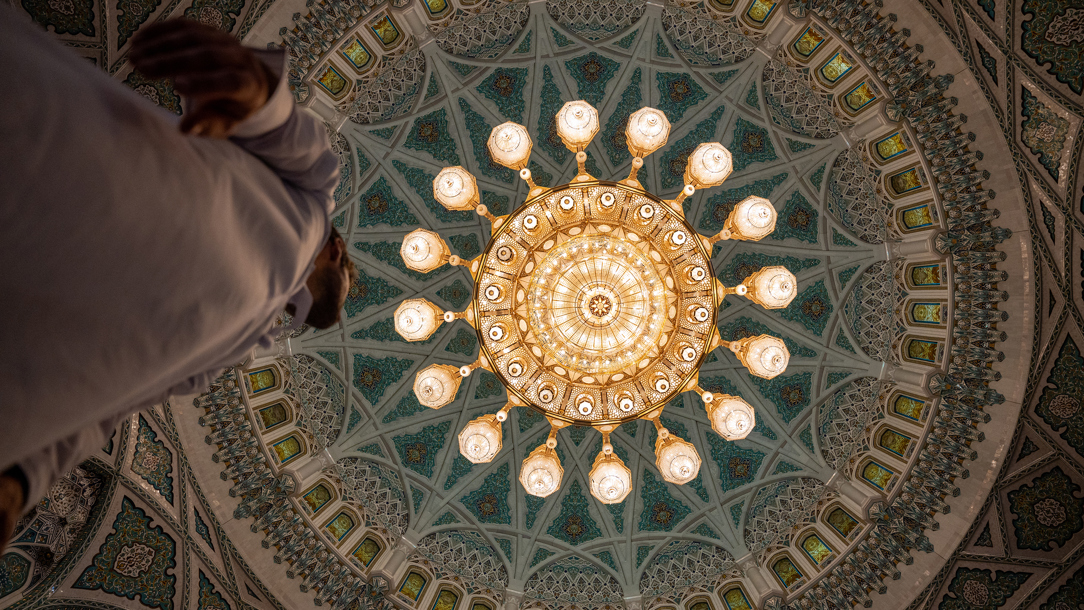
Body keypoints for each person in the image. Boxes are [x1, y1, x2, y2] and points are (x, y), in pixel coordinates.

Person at [0, 12, 356, 554]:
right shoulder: (309, 201)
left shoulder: (222, 354)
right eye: (348, 280)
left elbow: (103, 407)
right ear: (336, 250)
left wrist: (22, 480)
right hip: (43, 146)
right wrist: (253, 91)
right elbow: (287, 131)